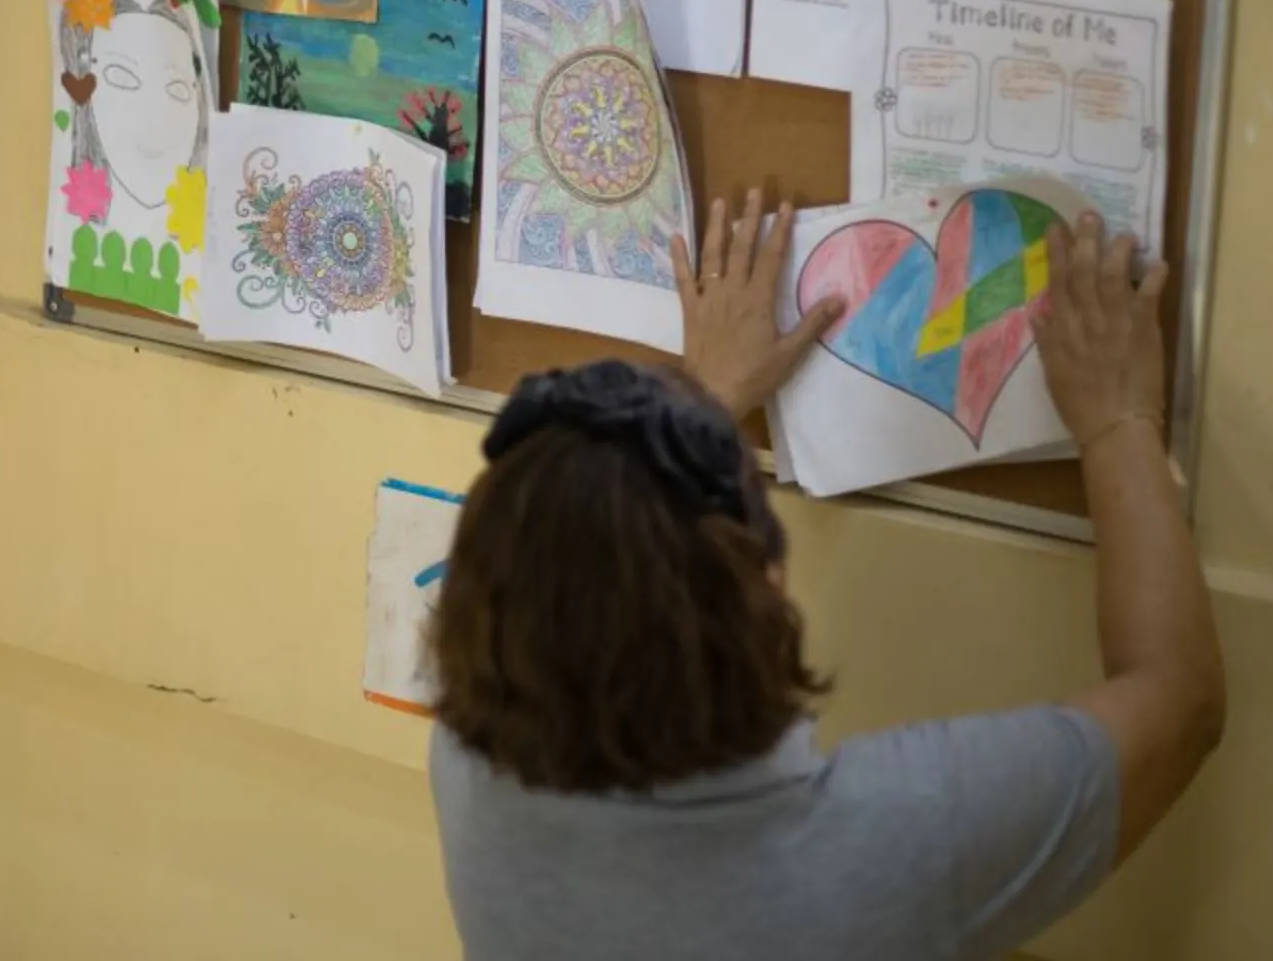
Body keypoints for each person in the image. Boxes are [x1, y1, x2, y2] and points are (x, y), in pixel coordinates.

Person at [428, 190, 1226, 961]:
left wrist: (706, 404)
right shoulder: (873, 845)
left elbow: (589, 569)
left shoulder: (471, 769)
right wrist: (1119, 422)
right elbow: (1179, 696)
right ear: (768, 589)